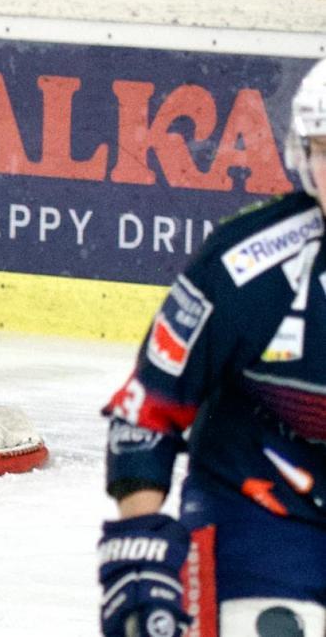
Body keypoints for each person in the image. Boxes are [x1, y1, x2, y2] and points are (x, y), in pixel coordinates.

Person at [97, 58, 326, 637]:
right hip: (263, 515)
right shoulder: (242, 267)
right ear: (304, 156)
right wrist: (141, 543)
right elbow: (150, 407)